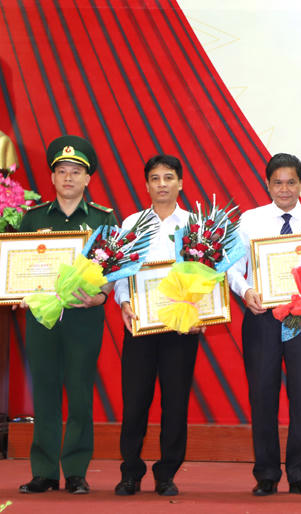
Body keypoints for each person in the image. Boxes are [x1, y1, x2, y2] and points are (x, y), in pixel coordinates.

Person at [227, 153, 301, 496]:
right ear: (267, 184)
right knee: (262, 394)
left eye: (291, 182)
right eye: (277, 183)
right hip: (262, 317)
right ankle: (266, 473)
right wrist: (245, 291)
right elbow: (232, 267)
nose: (284, 189)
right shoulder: (250, 220)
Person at [18, 135, 117, 494]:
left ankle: (76, 470)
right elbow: (18, 265)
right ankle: (44, 471)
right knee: (44, 392)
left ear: (88, 178)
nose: (68, 177)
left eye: (76, 171)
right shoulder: (32, 218)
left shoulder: (103, 219)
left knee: (79, 394)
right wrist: (16, 291)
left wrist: (101, 297)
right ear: (52, 177)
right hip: (41, 319)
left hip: (83, 318)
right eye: (62, 171)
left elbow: (116, 268)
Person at [112, 155, 203, 497]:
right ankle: (130, 472)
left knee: (176, 402)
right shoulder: (132, 223)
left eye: (168, 177)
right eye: (155, 178)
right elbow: (121, 272)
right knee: (135, 401)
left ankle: (167, 473)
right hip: (140, 323)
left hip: (182, 327)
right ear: (147, 184)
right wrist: (124, 301)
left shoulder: (196, 225)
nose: (162, 184)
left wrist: (204, 312)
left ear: (181, 182)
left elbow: (211, 273)